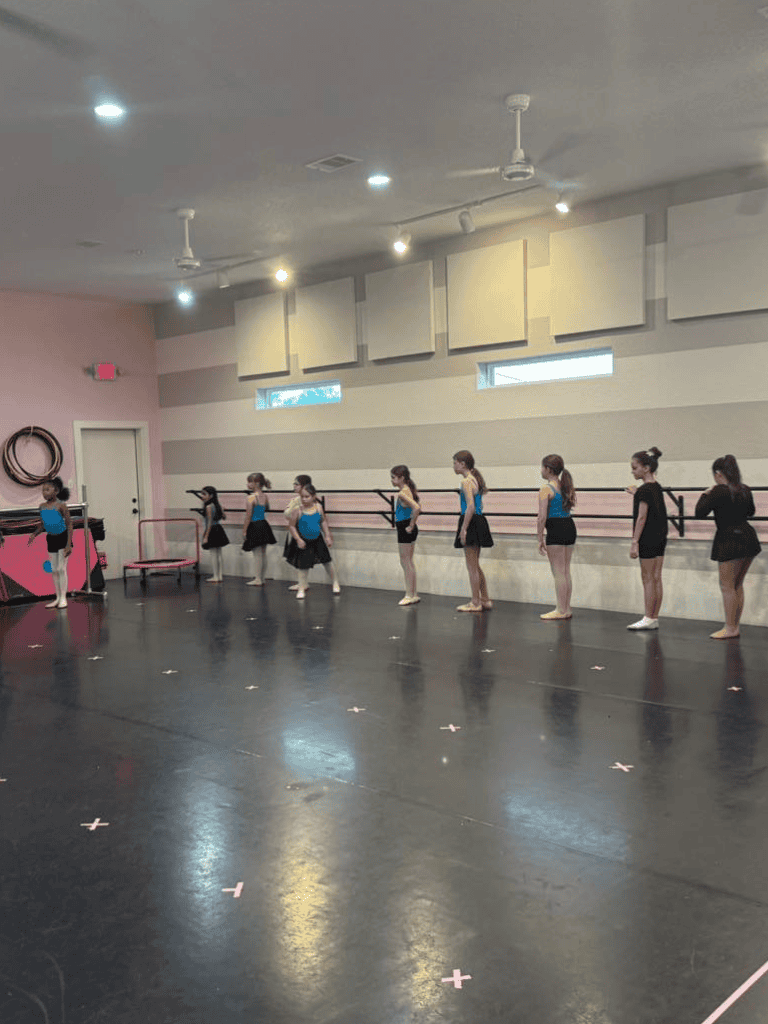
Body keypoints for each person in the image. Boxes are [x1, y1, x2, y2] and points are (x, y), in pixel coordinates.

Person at [695, 455, 762, 640]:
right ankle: (734, 626)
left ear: (718, 474)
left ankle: (730, 628)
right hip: (748, 537)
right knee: (737, 584)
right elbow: (751, 512)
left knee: (727, 586)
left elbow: (699, 513)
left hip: (729, 539)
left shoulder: (718, 491)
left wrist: (705, 493)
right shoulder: (745, 489)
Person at [626, 446, 667, 630]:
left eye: (635, 468)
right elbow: (649, 505)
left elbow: (641, 517)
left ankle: (648, 617)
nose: (632, 471)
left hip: (647, 538)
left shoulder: (644, 491)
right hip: (660, 537)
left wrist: (634, 542)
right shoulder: (656, 488)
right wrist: (636, 494)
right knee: (656, 577)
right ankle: (654, 616)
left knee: (648, 578)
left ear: (646, 468)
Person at [452, 450, 493, 612]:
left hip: (471, 520)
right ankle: (485, 599)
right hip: (478, 520)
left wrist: (464, 529)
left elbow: (470, 506)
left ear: (462, 464)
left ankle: (475, 602)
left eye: (455, 462)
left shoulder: (467, 482)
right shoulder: (474, 480)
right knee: (475, 565)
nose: (453, 466)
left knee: (471, 566)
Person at [537, 454, 577, 619]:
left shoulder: (546, 488)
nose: (540, 470)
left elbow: (541, 517)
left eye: (542, 467)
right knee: (565, 571)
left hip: (556, 529)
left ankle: (561, 610)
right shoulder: (564, 485)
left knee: (558, 572)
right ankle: (566, 608)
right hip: (569, 527)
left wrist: (539, 538)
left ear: (548, 469)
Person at [285, 484, 340, 599]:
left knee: (327, 561)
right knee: (302, 566)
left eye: (307, 497)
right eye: (302, 497)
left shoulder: (318, 507)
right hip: (304, 540)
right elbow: (291, 526)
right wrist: (298, 539)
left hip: (317, 539)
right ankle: (301, 587)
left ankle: (335, 582)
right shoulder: (298, 510)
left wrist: (327, 536)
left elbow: (323, 521)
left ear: (313, 496)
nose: (304, 499)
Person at [27, 476, 73, 609]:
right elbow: (43, 525)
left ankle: (63, 597)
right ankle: (57, 597)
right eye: (43, 490)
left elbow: (69, 525)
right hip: (51, 539)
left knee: (61, 568)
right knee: (53, 570)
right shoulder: (42, 507)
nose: (44, 492)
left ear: (56, 491)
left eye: (47, 489)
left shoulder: (61, 505)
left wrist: (69, 544)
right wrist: (34, 534)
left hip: (62, 538)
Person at [391, 464, 421, 605]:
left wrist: (411, 525)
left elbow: (416, 508)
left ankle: (409, 595)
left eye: (393, 477)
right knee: (408, 562)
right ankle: (413, 593)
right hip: (405, 526)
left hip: (405, 527)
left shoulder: (403, 492)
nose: (391, 480)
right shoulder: (407, 489)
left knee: (405, 562)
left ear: (402, 478)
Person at [241, 472, 276, 585]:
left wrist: (244, 530)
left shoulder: (251, 497)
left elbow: (248, 515)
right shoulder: (265, 496)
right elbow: (266, 509)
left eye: (249, 482)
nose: (247, 484)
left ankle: (257, 579)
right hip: (264, 524)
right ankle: (262, 577)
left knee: (257, 554)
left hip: (255, 525)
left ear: (256, 483)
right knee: (263, 553)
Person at [284, 474, 312, 591]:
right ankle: (302, 582)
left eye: (297, 484)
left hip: (304, 532)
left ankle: (303, 583)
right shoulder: (295, 500)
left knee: (303, 558)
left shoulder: (307, 500)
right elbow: (287, 514)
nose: (294, 486)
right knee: (297, 558)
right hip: (295, 530)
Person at [200, 486, 229, 582]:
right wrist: (222, 511)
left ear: (211, 495)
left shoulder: (208, 506)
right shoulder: (217, 505)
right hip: (218, 529)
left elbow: (209, 522)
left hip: (212, 530)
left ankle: (216, 576)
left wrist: (206, 536)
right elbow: (224, 517)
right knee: (219, 554)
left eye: (204, 494)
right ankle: (219, 575)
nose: (202, 496)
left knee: (214, 555)